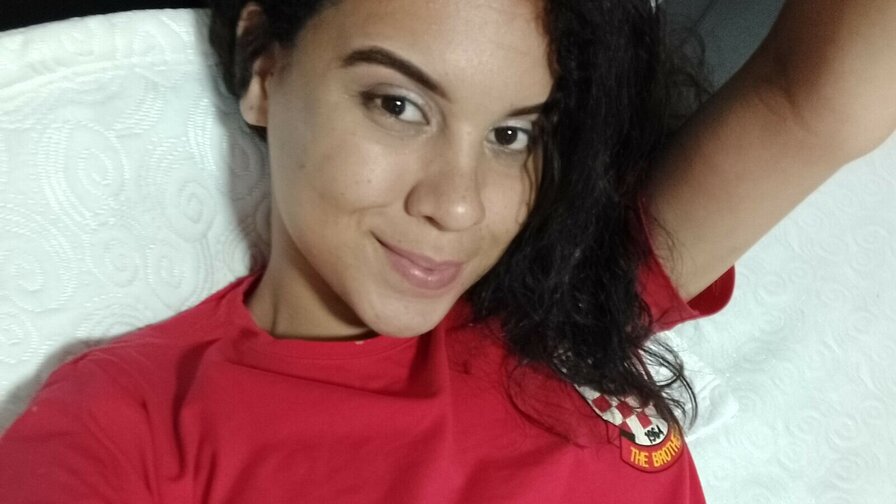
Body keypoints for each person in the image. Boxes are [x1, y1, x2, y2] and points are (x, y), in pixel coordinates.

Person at [0, 0, 892, 502]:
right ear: (264, 67)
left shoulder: (570, 289)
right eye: (399, 106)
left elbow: (824, 91)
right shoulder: (133, 424)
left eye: (511, 134)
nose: (459, 204)